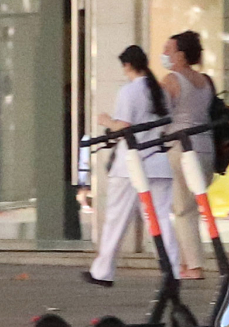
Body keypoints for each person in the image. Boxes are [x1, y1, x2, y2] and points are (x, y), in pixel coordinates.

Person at [84, 45, 183, 288]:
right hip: (158, 162)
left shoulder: (129, 92)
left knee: (116, 219)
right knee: (161, 218)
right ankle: (173, 268)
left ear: (127, 65)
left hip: (131, 165)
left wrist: (106, 121)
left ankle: (103, 271)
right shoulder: (158, 91)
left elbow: (124, 127)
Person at [160, 30, 214, 281]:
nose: (164, 55)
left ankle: (192, 266)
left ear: (180, 55)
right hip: (205, 147)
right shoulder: (205, 80)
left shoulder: (172, 80)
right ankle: (186, 262)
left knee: (182, 209)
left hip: (179, 147)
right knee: (192, 204)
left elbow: (159, 115)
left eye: (168, 50)